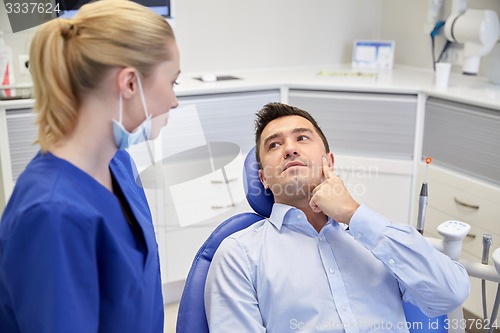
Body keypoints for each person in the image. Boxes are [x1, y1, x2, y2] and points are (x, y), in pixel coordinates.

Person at [204, 102, 470, 332]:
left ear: (328, 163)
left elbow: (451, 294)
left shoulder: (377, 236)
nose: (289, 149)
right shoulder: (238, 254)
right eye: (274, 144)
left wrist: (354, 214)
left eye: (302, 138)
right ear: (263, 179)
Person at [0, 1, 180, 332]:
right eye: (173, 82)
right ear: (129, 83)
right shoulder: (52, 213)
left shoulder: (118, 164)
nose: (173, 101)